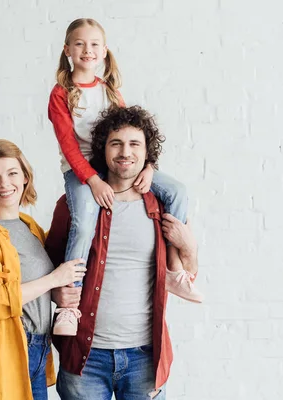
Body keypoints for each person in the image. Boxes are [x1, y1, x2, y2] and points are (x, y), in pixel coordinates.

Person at [48, 18, 202, 336]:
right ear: (67, 51)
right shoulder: (62, 94)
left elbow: (132, 135)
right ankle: (69, 307)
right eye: (79, 44)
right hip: (81, 172)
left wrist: (149, 167)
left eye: (94, 45)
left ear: (104, 51)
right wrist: (93, 180)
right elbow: (69, 146)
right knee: (85, 218)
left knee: (177, 192)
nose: (87, 50)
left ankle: (174, 272)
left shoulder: (110, 92)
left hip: (111, 165)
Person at [45, 106, 200, 399]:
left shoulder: (163, 206)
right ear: (103, 149)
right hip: (85, 358)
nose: (124, 152)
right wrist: (56, 293)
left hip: (145, 357)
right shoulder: (75, 207)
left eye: (134, 144)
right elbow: (48, 269)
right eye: (116, 143)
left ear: (147, 152)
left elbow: (188, 272)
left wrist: (189, 247)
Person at [0, 139, 86, 400]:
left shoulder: (29, 226)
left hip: (38, 350)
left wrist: (56, 292)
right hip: (5, 355)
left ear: (25, 177)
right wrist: (53, 279)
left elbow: (33, 286)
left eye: (12, 173)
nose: (5, 184)